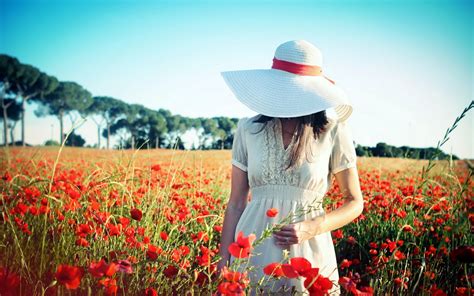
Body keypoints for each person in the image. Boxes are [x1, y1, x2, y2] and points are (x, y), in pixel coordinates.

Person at [217, 40, 364, 295]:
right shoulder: (248, 129)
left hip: (308, 250)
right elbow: (236, 204)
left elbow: (354, 202)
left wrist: (312, 228)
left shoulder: (333, 130)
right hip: (252, 247)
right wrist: (222, 266)